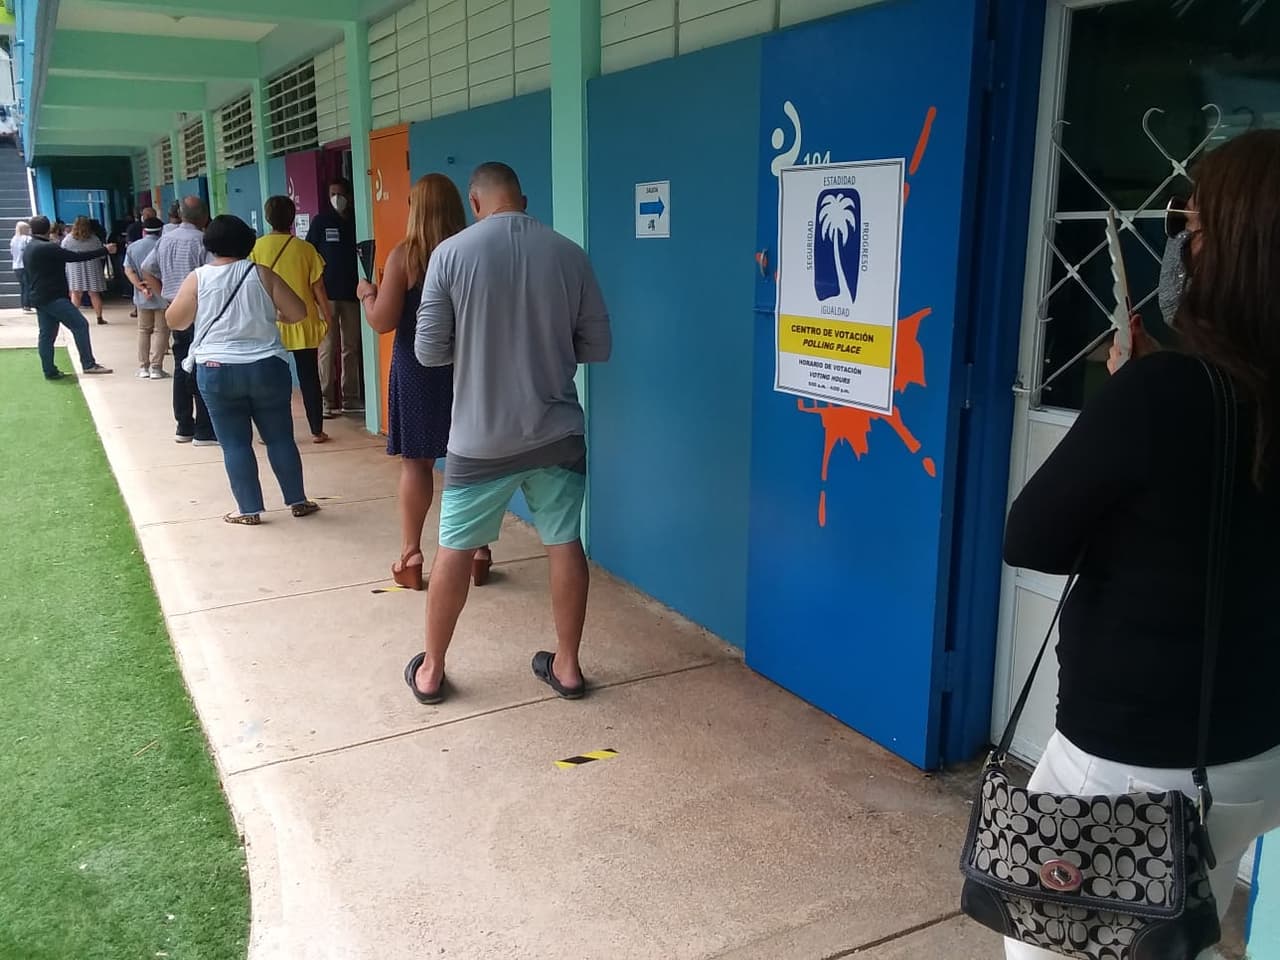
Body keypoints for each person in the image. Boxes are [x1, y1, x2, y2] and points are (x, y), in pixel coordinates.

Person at [1001, 130, 1280, 960]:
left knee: (1054, 949)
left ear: (1230, 253)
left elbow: (1034, 537)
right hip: (1254, 756)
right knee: (1171, 939)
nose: (1179, 249)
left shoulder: (1161, 394)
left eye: (1188, 230)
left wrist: (1124, 405)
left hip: (1131, 766)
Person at [404, 162, 611, 705]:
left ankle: (431, 671)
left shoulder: (450, 254)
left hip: (480, 438)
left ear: (476, 203)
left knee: (454, 550)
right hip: (557, 432)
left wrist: (477, 348)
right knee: (564, 542)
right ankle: (567, 667)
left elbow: (428, 351)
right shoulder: (570, 254)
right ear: (523, 197)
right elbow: (597, 348)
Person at [356, 174, 491, 592]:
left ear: (415, 208)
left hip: (416, 370)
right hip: (467, 368)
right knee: (469, 459)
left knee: (417, 463)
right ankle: (479, 551)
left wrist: (366, 294)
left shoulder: (405, 257)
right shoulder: (474, 252)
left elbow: (383, 321)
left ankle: (411, 554)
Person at [163, 215, 320, 526]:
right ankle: (297, 500)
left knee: (235, 443)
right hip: (267, 366)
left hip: (216, 369)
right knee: (279, 438)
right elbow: (298, 312)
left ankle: (248, 509)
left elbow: (175, 320)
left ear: (209, 244)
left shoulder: (198, 278)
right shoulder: (262, 273)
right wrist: (272, 316)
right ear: (248, 242)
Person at [251, 195, 332, 443]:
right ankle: (316, 430)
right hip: (303, 322)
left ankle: (271, 432)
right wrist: (328, 318)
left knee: (272, 383)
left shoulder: (256, 249)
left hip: (270, 323)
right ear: (292, 218)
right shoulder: (306, 249)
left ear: (267, 218)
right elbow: (318, 289)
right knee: (309, 378)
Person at [143, 196, 217, 446]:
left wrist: (164, 295)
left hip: (174, 309)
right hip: (198, 312)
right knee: (201, 366)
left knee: (180, 365)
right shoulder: (202, 241)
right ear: (204, 216)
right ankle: (205, 430)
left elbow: (147, 268)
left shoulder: (165, 240)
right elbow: (212, 275)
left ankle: (184, 425)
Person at [23, 215, 116, 380]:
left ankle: (49, 370)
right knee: (80, 325)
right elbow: (75, 257)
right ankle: (88, 364)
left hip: (39, 296)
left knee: (46, 335)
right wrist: (104, 250)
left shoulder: (30, 247)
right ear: (48, 229)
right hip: (54, 297)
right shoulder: (48, 248)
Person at [306, 177, 363, 417]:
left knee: (351, 346)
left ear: (349, 196)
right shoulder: (321, 221)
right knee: (327, 346)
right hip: (326, 295)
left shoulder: (357, 220)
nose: (336, 198)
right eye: (332, 193)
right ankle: (327, 400)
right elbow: (310, 253)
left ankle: (350, 397)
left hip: (351, 293)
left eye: (340, 193)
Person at [123, 216, 170, 379]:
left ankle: (143, 367)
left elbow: (128, 270)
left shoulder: (133, 247)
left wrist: (141, 286)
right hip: (163, 293)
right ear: (161, 231)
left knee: (144, 331)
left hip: (143, 297)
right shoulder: (164, 246)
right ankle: (157, 368)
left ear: (143, 231)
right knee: (162, 331)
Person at [62, 217, 108, 326]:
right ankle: (99, 317)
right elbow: (101, 254)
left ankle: (73, 318)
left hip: (74, 267)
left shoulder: (68, 239)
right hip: (92, 266)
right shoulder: (94, 239)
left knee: (76, 293)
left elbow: (63, 253)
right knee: (94, 293)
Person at [10, 220, 32, 313]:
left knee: (23, 286)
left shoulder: (13, 239)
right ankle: (27, 305)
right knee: (27, 285)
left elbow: (12, 252)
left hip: (16, 265)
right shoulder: (27, 238)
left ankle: (24, 304)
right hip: (25, 265)